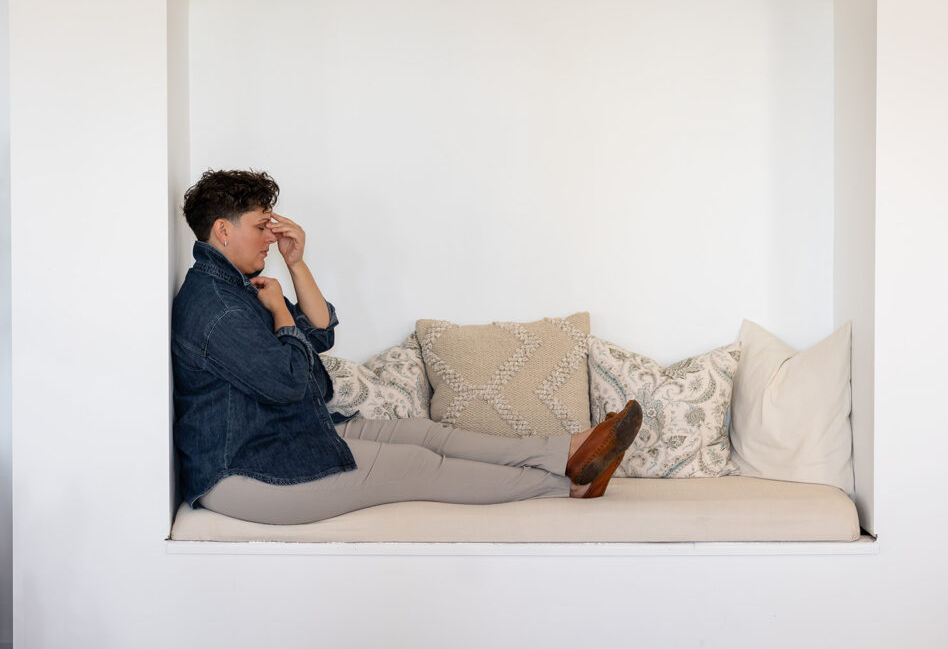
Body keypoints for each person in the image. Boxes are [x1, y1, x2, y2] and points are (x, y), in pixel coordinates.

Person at [171, 169, 642, 525]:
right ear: (223, 230)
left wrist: (297, 265)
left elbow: (318, 334)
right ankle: (565, 484)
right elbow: (291, 383)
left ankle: (569, 449)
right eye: (262, 227)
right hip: (247, 472)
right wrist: (278, 311)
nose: (272, 238)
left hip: (289, 437)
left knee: (424, 432)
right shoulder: (219, 309)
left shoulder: (234, 287)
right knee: (418, 465)